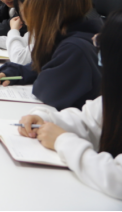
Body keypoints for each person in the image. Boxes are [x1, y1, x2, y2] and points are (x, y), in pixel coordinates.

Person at [16, 11, 122, 200]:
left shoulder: (74, 46)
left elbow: (117, 179)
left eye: (101, 44)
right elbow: (88, 120)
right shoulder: (115, 97)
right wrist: (45, 118)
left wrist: (63, 141)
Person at [0, 0, 102, 111]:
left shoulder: (75, 47)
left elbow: (47, 90)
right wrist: (16, 72)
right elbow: (43, 66)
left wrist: (36, 74)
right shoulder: (62, 35)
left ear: (50, 11)